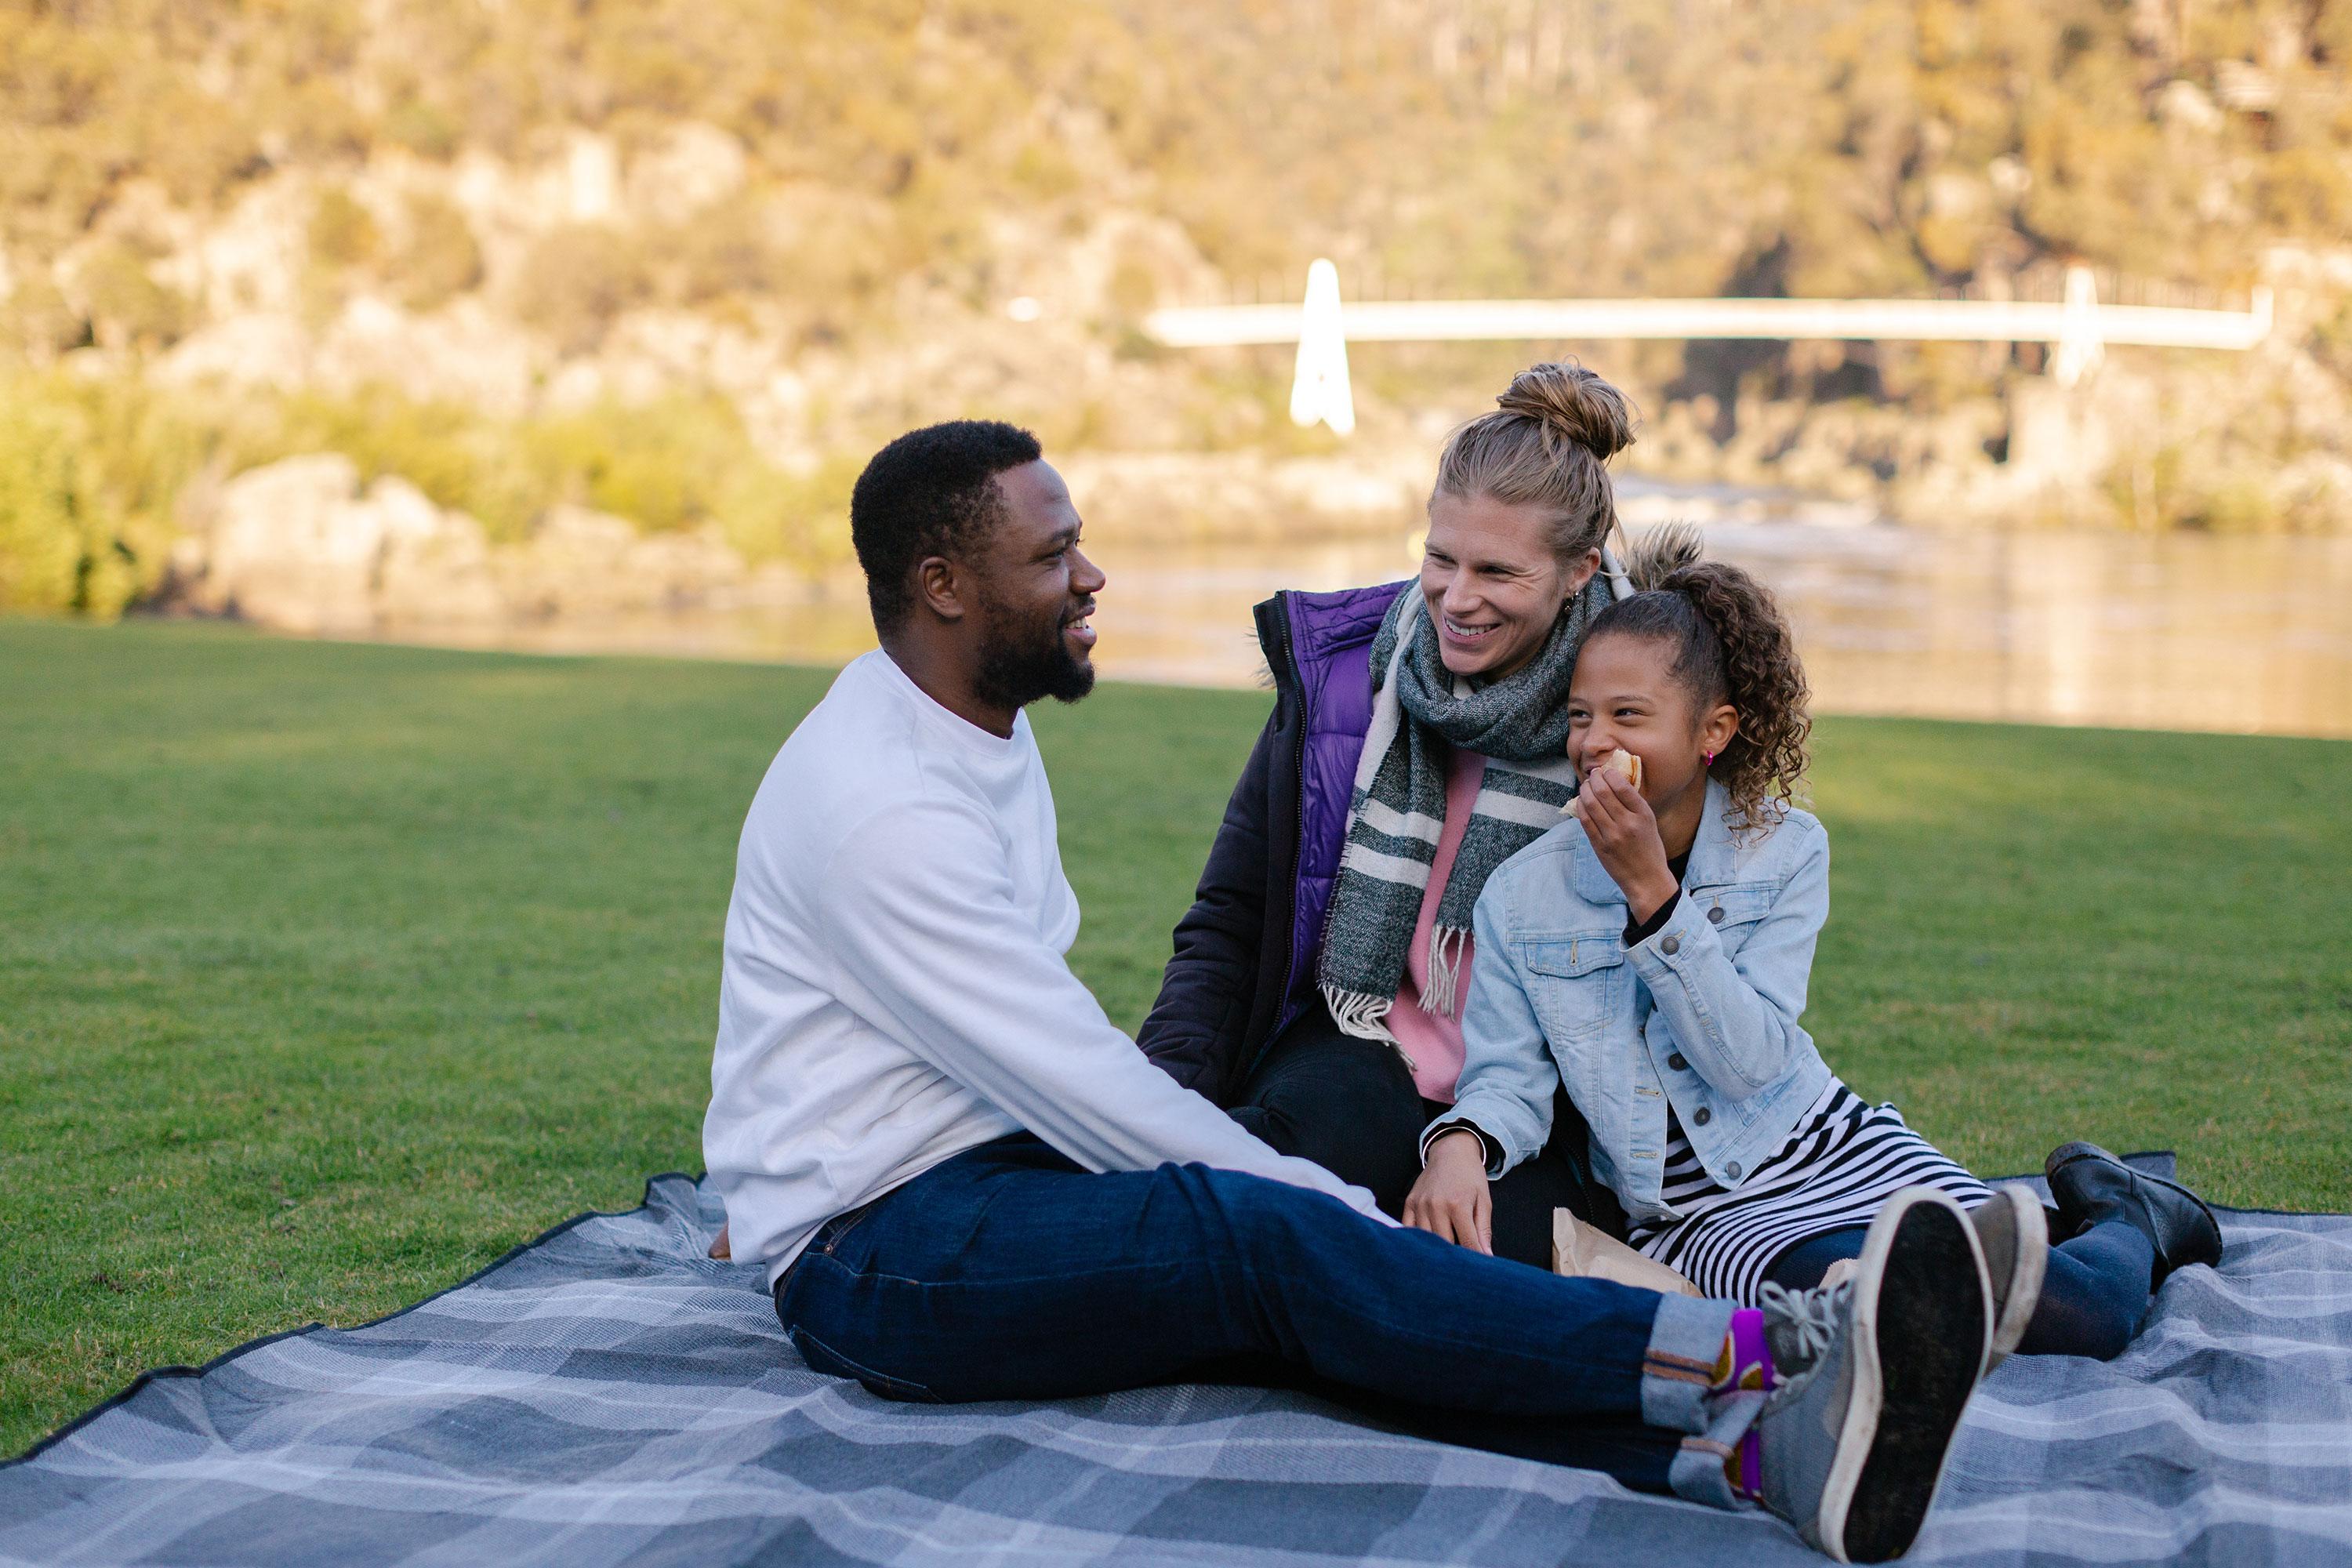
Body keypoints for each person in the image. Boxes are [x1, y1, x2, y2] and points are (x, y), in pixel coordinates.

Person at [704, 419, 2016, 1563]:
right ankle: (1759, 1362)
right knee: (1281, 1245)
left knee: (1310, 1296)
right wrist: (1331, 1212)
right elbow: (1079, 1079)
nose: (1092, 574)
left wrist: (776, 1151)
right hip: (879, 1252)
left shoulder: (975, 724)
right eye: (1052, 557)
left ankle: (1751, 1459)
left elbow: (990, 1054)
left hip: (968, 1177)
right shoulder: (881, 809)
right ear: (942, 586)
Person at [1406, 527, 2222, 1363]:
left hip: (1833, 1142)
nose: (1592, 742)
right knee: (1901, 1309)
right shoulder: (1521, 895)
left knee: (2082, 1317)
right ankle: (2104, 1214)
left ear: (1711, 731)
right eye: (1581, 716)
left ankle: (2125, 1211)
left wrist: (1653, 895)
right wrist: (1461, 1143)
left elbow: (1754, 1062)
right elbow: (1509, 1078)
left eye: (1627, 715)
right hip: (1707, 1214)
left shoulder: (1788, 851)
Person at [1137, 361, 1640, 1267]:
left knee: (1495, 1251)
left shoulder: (1644, 715)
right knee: (1325, 1154)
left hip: (1533, 1098)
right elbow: (1230, 920)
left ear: (1579, 572)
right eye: (1440, 558)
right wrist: (1158, 1103)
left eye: (1497, 571)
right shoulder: (1347, 679)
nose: (1455, 597)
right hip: (1354, 1042)